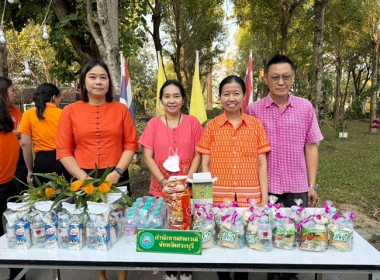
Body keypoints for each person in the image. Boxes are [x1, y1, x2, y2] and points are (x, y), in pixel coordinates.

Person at [56, 59, 139, 280]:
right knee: (94, 226)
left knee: (120, 224)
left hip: (116, 175)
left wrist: (117, 173)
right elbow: (64, 150)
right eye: (92, 77)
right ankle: (101, 276)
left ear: (109, 83)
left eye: (103, 77)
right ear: (83, 82)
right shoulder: (70, 111)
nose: (98, 82)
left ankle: (122, 277)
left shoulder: (120, 110)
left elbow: (131, 144)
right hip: (84, 176)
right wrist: (84, 179)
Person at [245, 54, 324, 280]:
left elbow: (311, 147)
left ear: (293, 78)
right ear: (266, 79)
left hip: (296, 186)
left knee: (294, 236)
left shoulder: (305, 107)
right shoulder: (254, 110)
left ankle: (290, 275)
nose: (281, 82)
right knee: (267, 235)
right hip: (265, 187)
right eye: (275, 77)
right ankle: (272, 275)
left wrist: (312, 185)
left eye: (286, 77)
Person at [196, 75, 271, 280]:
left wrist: (264, 198)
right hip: (220, 196)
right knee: (222, 239)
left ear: (244, 96)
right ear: (220, 97)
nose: (231, 98)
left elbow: (262, 163)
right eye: (226, 94)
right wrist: (206, 198)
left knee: (247, 240)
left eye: (236, 93)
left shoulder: (256, 125)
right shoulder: (211, 126)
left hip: (250, 197)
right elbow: (205, 163)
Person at [139, 80, 203, 280]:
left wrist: (188, 180)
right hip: (161, 190)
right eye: (167, 96)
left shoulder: (193, 123)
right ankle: (169, 270)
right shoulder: (153, 124)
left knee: (186, 228)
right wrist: (163, 181)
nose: (172, 100)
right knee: (165, 227)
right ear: (161, 100)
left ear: (183, 99)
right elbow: (147, 156)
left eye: (176, 96)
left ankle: (185, 270)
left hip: (186, 189)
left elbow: (198, 154)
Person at [18, 83, 71, 184]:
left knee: (43, 197)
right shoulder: (64, 114)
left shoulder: (28, 115)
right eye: (60, 98)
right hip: (64, 161)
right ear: (54, 98)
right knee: (66, 197)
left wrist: (30, 170)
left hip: (41, 163)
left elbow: (25, 144)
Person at [0, 80, 26, 280]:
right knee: (10, 233)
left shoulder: (10, 124)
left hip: (8, 184)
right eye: (11, 90)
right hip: (6, 186)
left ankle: (17, 274)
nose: (14, 93)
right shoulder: (9, 133)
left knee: (12, 231)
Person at [0, 77, 28, 194]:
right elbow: (19, 131)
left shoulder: (16, 111)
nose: (15, 94)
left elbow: (22, 131)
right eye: (12, 90)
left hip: (16, 163)